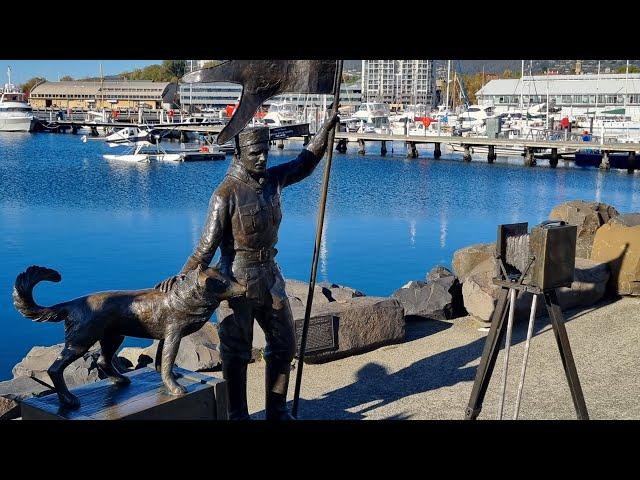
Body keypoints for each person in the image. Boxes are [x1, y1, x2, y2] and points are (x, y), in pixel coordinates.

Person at [157, 113, 339, 420]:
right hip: (235, 280)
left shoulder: (272, 181)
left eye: (266, 151)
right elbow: (205, 249)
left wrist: (324, 133)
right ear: (239, 153)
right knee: (236, 353)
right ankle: (238, 415)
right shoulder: (224, 195)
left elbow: (303, 164)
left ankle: (277, 412)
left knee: (284, 344)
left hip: (270, 275)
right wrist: (181, 278)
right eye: (255, 153)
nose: (263, 158)